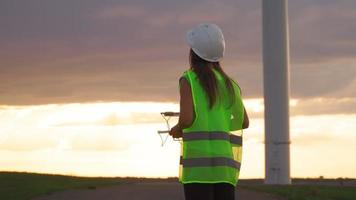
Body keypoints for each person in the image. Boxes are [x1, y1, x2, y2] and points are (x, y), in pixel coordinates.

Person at [169, 23, 249, 200]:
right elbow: (244, 122)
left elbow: (187, 119)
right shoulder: (231, 84)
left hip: (198, 170)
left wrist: (176, 129)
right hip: (225, 168)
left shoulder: (188, 79)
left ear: (194, 53)